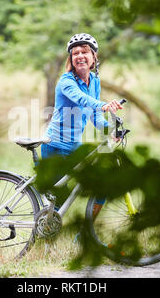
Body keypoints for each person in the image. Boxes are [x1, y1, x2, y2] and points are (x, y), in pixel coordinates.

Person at [41, 33, 122, 216]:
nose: (80, 56)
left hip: (74, 146)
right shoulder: (66, 81)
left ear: (94, 57)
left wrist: (111, 130)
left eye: (84, 52)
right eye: (75, 53)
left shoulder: (94, 82)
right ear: (71, 59)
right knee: (57, 202)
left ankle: (85, 234)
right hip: (55, 146)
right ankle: (42, 235)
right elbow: (81, 99)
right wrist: (103, 105)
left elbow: (94, 115)